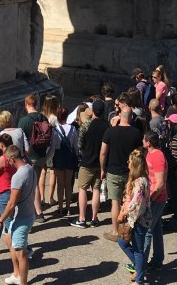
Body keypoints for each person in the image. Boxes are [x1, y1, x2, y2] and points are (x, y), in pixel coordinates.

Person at [0, 145, 37, 285]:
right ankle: (17, 275)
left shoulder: (17, 176)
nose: (7, 163)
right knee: (10, 240)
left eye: (7, 160)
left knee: (20, 251)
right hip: (28, 213)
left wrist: (0, 220)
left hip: (22, 217)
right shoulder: (30, 168)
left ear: (12, 159)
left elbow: (11, 203)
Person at [100, 105, 143, 241]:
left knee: (115, 202)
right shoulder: (136, 133)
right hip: (130, 172)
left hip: (113, 171)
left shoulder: (110, 132)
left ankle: (115, 231)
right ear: (131, 117)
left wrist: (102, 169)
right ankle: (128, 230)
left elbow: (103, 153)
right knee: (130, 201)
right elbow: (140, 154)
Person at [116, 148, 152, 285]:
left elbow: (137, 204)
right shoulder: (138, 180)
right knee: (122, 242)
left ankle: (140, 279)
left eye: (130, 161)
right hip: (136, 218)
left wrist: (124, 213)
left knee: (138, 249)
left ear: (135, 164)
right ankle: (140, 268)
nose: (128, 163)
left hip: (139, 220)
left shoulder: (140, 182)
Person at [72, 99, 108, 228]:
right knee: (96, 189)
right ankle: (94, 218)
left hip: (87, 161)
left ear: (93, 111)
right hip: (100, 163)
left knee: (82, 189)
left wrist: (84, 150)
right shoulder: (107, 126)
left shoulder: (86, 125)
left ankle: (82, 218)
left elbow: (80, 143)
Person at [17, 93, 50, 219]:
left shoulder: (23, 121)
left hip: (30, 157)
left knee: (33, 186)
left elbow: (19, 140)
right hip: (42, 155)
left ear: (26, 105)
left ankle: (38, 212)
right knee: (36, 183)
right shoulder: (44, 118)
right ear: (36, 104)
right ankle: (37, 209)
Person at [141, 129, 167, 273]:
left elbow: (160, 183)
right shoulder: (151, 154)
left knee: (147, 231)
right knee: (156, 229)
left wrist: (150, 199)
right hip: (152, 197)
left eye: (143, 139)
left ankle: (141, 265)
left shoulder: (157, 156)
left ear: (148, 143)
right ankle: (157, 260)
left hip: (156, 199)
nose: (142, 141)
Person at [51, 106, 79, 216]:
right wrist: (76, 156)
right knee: (68, 184)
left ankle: (61, 208)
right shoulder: (73, 129)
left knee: (60, 184)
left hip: (58, 157)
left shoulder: (55, 130)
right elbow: (75, 146)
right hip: (70, 157)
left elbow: (53, 147)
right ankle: (68, 208)